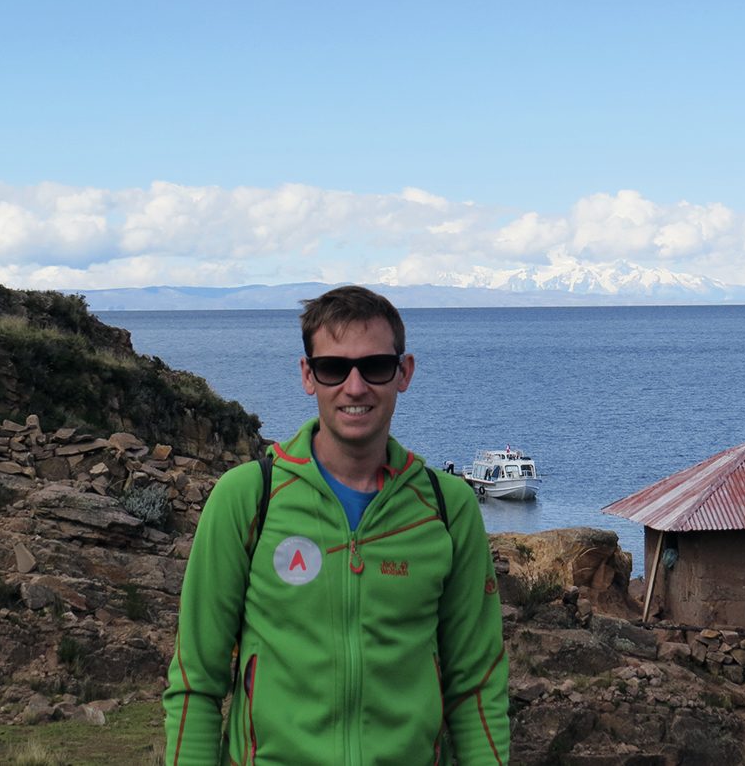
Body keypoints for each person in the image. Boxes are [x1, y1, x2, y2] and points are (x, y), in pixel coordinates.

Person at [163, 285, 509, 765]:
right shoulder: (247, 498)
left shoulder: (447, 508)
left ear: (403, 372)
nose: (355, 386)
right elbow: (196, 683)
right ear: (309, 375)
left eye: (375, 366)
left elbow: (477, 685)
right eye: (333, 368)